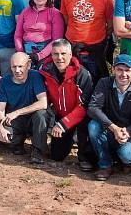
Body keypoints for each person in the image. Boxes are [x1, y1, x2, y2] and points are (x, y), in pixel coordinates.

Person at [87, 54, 131, 181]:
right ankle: (105, 165)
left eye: (127, 70)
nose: (123, 74)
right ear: (113, 69)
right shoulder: (104, 83)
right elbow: (93, 108)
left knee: (126, 155)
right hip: (110, 128)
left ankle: (127, 162)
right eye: (120, 70)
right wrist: (113, 128)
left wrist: (127, 132)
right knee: (93, 126)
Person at [39, 39, 95, 170]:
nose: (59, 58)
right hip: (60, 115)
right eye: (55, 54)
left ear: (70, 55)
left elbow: (84, 106)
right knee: (57, 156)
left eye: (63, 54)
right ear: (51, 55)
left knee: (86, 124)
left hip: (80, 116)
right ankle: (68, 139)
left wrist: (64, 123)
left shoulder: (82, 74)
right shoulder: (45, 72)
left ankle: (84, 156)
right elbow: (44, 98)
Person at [59, 0, 115, 82]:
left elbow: (110, 25)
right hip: (72, 47)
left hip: (95, 49)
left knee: (96, 82)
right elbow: (66, 20)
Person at [0, 52, 48, 164]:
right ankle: (18, 141)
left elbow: (43, 103)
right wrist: (0, 127)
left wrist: (18, 112)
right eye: (14, 67)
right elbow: (0, 109)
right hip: (16, 121)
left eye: (20, 66)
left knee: (41, 114)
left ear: (28, 65)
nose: (17, 70)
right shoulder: (5, 81)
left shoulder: (36, 76)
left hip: (32, 117)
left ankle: (37, 149)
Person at [14, 0, 64, 65]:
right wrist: (21, 53)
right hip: (26, 52)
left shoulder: (55, 13)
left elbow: (57, 40)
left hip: (45, 54)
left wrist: (39, 56)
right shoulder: (25, 11)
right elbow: (17, 35)